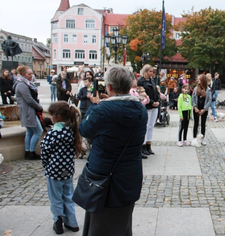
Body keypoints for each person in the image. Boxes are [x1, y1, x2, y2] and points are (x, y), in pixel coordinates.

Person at [79, 65, 147, 236]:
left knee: (100, 225)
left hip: (104, 178)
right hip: (129, 176)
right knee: (122, 224)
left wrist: (95, 106)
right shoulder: (140, 109)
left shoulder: (101, 110)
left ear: (109, 87)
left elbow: (84, 130)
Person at [40, 101, 81, 234]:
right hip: (67, 170)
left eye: (51, 115)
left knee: (56, 197)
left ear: (57, 117)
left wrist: (46, 165)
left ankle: (58, 221)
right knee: (68, 195)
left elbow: (44, 151)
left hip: (54, 171)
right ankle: (72, 222)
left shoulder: (53, 134)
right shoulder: (72, 131)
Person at [13, 66, 43, 160]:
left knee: (30, 131)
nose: (31, 75)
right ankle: (31, 152)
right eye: (29, 74)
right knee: (39, 131)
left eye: (31, 73)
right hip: (28, 111)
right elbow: (29, 99)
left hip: (28, 111)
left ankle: (28, 152)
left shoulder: (25, 83)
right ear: (23, 74)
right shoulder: (22, 84)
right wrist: (39, 107)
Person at [137, 64, 160, 157]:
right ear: (145, 71)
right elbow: (142, 94)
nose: (152, 73)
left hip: (154, 106)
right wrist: (151, 102)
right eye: (150, 71)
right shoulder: (141, 81)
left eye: (152, 71)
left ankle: (148, 145)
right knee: (145, 126)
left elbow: (156, 92)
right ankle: (143, 146)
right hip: (147, 106)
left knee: (151, 126)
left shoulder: (152, 80)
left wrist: (158, 101)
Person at [192, 74, 212, 145]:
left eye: (199, 79)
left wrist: (204, 109)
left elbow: (209, 100)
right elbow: (193, 98)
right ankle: (194, 138)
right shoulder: (195, 88)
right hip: (197, 108)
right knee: (196, 123)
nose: (198, 80)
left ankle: (202, 138)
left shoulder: (208, 90)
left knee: (203, 124)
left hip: (204, 108)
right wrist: (195, 107)